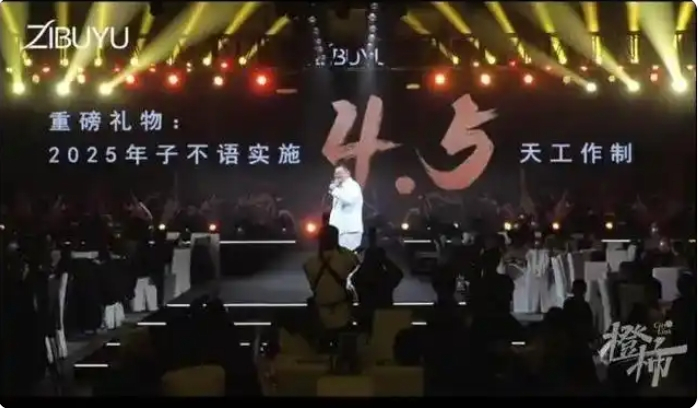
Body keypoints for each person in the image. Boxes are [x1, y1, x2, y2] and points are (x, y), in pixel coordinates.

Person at [303, 226, 359, 344]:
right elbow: (355, 261)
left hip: (320, 317)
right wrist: (339, 249)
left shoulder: (310, 263)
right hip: (343, 315)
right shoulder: (345, 259)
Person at [328, 164, 364, 251]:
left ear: (348, 173)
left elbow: (349, 200)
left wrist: (335, 190)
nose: (337, 175)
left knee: (348, 257)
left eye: (340, 173)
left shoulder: (352, 185)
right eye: (335, 173)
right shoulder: (341, 188)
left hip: (349, 231)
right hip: (341, 231)